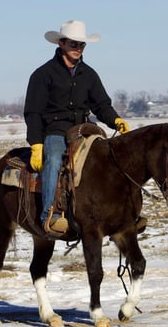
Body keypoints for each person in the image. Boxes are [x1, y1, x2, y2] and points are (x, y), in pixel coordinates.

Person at [24, 19, 129, 237]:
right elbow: (33, 112)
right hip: (56, 130)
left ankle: (122, 213)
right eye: (73, 44)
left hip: (85, 129)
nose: (78, 49)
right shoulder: (43, 75)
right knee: (53, 158)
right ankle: (50, 215)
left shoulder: (89, 74)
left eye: (81, 45)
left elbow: (101, 105)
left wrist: (116, 120)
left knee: (111, 159)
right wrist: (36, 143)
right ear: (61, 44)